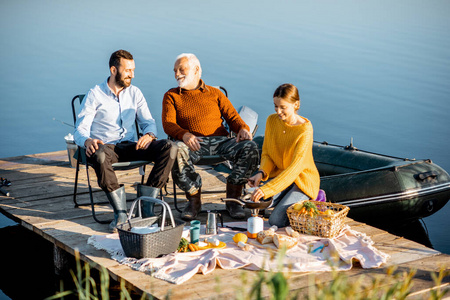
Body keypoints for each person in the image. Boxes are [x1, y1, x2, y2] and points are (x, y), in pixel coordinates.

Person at [74, 50, 177, 232]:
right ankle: (120, 212)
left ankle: (146, 206)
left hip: (131, 145)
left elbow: (148, 122)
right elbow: (80, 129)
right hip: (105, 148)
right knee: (98, 154)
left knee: (170, 147)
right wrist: (87, 140)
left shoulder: (135, 93)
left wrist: (149, 135)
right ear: (114, 70)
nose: (132, 74)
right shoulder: (95, 94)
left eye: (133, 69)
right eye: (128, 70)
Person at [162, 53, 259, 221]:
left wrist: (243, 128)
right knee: (176, 149)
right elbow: (168, 124)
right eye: (175, 71)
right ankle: (194, 200)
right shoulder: (171, 96)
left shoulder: (215, 94)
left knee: (250, 147)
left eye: (181, 69)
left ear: (196, 70)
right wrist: (184, 135)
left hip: (220, 143)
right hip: (192, 144)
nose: (177, 74)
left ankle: (233, 199)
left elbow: (234, 118)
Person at [247, 83, 320, 228]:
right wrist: (261, 173)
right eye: (275, 106)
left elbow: (294, 169)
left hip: (301, 181)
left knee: (276, 221)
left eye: (283, 107)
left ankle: (306, 198)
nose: (278, 111)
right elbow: (267, 153)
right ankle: (282, 199)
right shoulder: (272, 121)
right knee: (253, 206)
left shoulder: (304, 130)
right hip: (280, 177)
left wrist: (266, 189)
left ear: (296, 104)